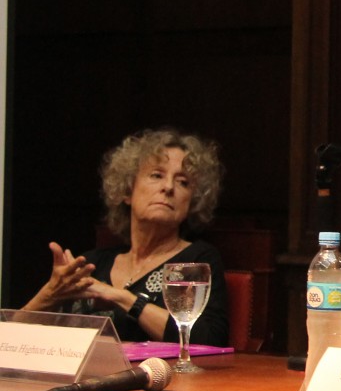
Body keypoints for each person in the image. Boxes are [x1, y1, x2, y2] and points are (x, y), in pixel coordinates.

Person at [23, 128, 229, 347]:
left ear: (192, 202)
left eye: (183, 182)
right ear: (127, 191)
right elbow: (11, 340)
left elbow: (210, 340)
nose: (168, 187)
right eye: (156, 175)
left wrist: (122, 298)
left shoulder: (196, 260)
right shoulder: (91, 263)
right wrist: (50, 294)